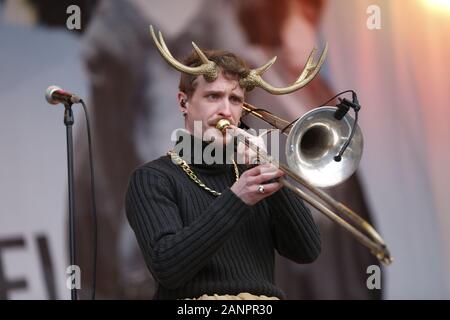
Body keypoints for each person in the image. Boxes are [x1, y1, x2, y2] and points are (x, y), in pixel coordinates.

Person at [125, 46, 322, 300]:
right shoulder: (152, 179)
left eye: (235, 100)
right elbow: (168, 268)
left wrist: (267, 169)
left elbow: (307, 251)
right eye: (213, 96)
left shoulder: (254, 173)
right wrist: (236, 199)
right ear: (184, 102)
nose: (226, 111)